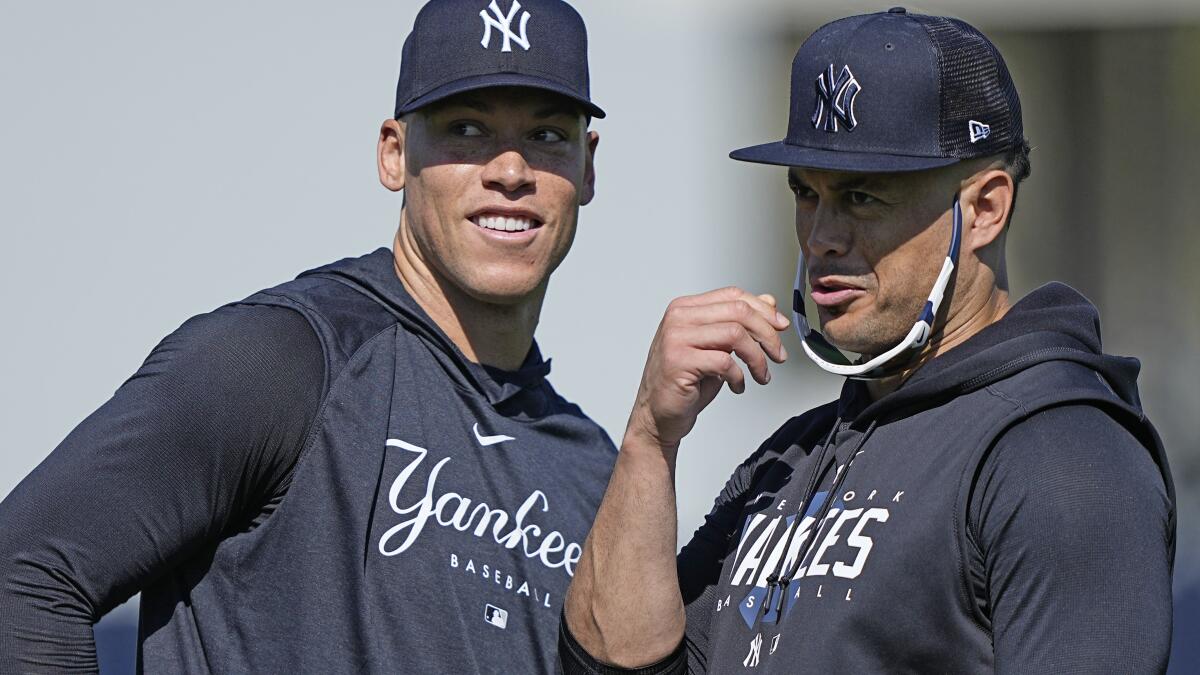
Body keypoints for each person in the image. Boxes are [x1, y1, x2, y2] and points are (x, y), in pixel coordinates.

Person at [0, 0, 616, 672]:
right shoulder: (279, 360)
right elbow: (24, 576)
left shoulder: (593, 471)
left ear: (587, 167)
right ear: (393, 153)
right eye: (466, 129)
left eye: (547, 136)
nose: (510, 170)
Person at [561, 8, 1175, 674]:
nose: (822, 234)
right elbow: (614, 666)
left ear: (986, 207)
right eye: (807, 192)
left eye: (862, 196)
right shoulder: (789, 457)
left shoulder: (1061, 452)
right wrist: (651, 439)